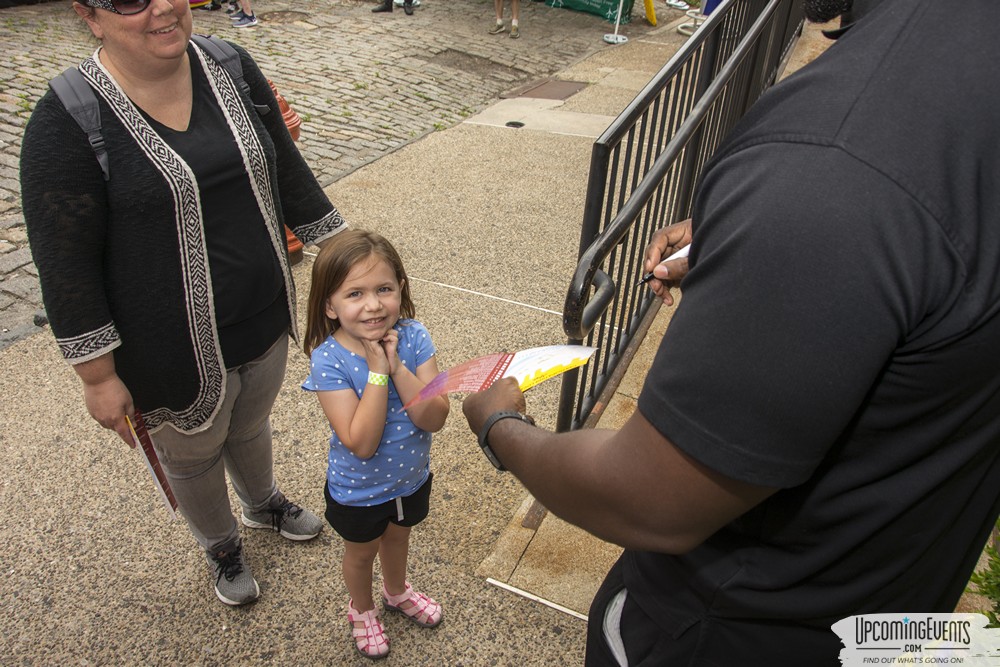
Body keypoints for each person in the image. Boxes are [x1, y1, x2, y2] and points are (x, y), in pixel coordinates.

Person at [461, 0, 1000, 663]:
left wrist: (501, 426)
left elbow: (650, 498)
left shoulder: (832, 164)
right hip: (895, 625)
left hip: (734, 632)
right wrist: (749, 257)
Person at [20, 0, 348, 607]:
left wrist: (348, 256)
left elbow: (286, 168)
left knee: (249, 421)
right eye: (129, 0)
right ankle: (221, 543)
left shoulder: (231, 64)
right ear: (89, 16)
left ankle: (261, 504)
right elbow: (64, 264)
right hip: (165, 347)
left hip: (262, 312)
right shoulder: (68, 118)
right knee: (193, 451)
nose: (163, 7)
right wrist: (97, 376)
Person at [302, 230, 449, 660]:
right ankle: (362, 609)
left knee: (399, 539)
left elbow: (435, 416)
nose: (372, 305)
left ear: (400, 289)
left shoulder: (415, 336)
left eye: (384, 289)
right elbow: (360, 443)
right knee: (362, 552)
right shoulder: (328, 359)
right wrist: (377, 371)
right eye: (355, 293)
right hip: (359, 490)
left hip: (410, 478)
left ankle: (397, 592)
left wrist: (398, 365)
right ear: (330, 305)